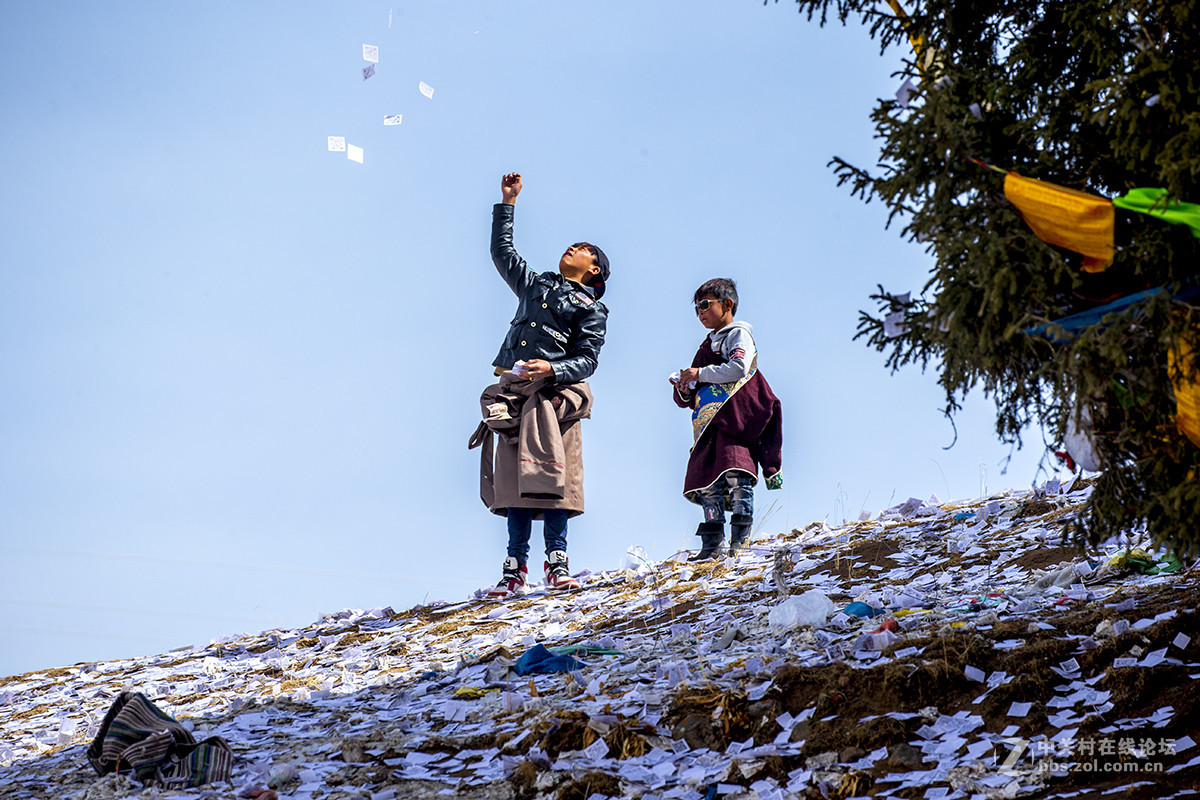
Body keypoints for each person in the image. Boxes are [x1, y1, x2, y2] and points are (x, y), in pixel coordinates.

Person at [472, 172, 610, 598]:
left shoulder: (591, 307)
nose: (575, 248)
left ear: (595, 270)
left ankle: (557, 561)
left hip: (555, 401)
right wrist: (508, 203)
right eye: (576, 244)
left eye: (586, 250)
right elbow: (502, 252)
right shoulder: (537, 285)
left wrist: (550, 371)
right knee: (514, 482)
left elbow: (587, 360)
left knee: (555, 482)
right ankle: (514, 569)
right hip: (514, 394)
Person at [671, 278, 783, 560]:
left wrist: (699, 374)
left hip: (735, 424)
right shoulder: (706, 345)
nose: (701, 313)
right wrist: (685, 387)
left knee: (737, 478)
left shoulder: (739, 336)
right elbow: (694, 388)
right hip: (709, 429)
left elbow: (738, 368)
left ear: (728, 304)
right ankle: (712, 545)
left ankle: (740, 542)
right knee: (708, 484)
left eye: (706, 305)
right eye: (697, 308)